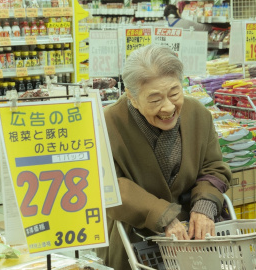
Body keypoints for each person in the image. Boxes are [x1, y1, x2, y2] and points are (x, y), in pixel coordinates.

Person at [97, 44, 231, 270]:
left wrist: (205, 205)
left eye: (174, 93)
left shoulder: (198, 113)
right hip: (134, 240)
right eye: (155, 99)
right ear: (132, 97)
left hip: (193, 240)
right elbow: (108, 186)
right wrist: (163, 216)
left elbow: (213, 167)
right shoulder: (106, 124)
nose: (168, 107)